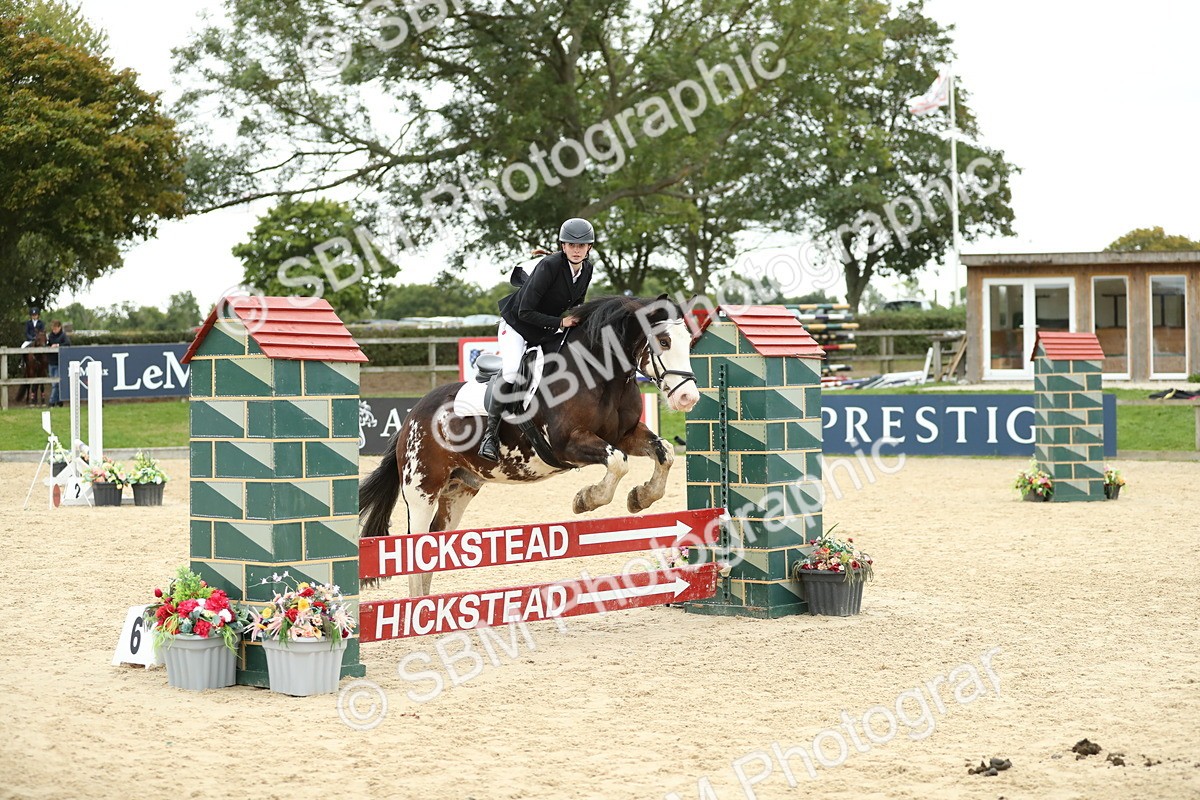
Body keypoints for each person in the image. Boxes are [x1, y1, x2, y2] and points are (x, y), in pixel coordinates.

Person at [477, 217, 595, 462]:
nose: (576, 250)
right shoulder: (549, 266)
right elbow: (525, 312)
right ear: (563, 246)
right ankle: (490, 436)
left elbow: (577, 304)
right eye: (571, 245)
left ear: (589, 248)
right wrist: (561, 323)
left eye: (581, 246)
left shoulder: (587, 269)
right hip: (517, 326)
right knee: (511, 372)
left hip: (544, 329)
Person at [47, 320, 70, 407]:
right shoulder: (50, 336)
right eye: (53, 329)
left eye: (55, 328)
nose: (54, 330)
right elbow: (47, 344)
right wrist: (49, 346)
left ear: (59, 327)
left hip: (59, 361)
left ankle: (51, 401)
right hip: (51, 361)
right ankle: (59, 401)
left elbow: (68, 344)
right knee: (54, 383)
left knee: (55, 383)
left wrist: (58, 345)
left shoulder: (63, 336)